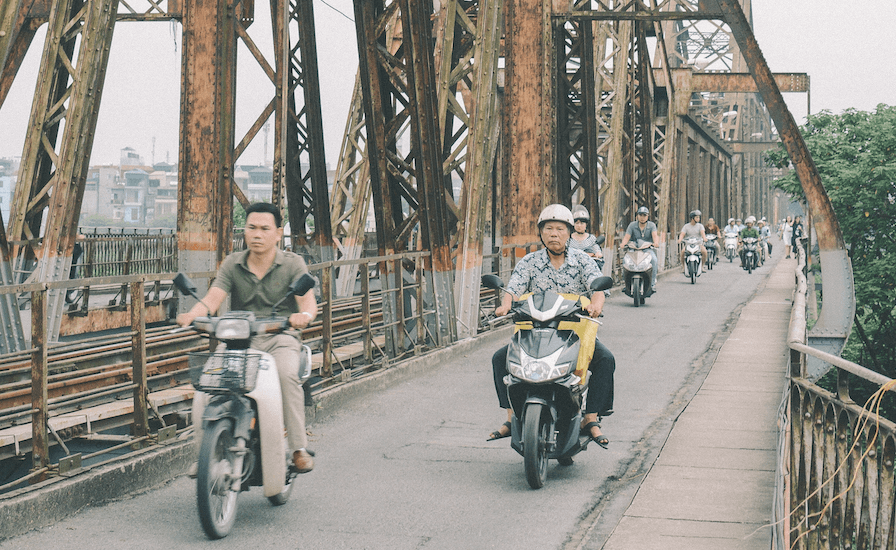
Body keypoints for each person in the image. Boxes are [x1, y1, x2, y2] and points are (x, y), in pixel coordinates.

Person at [177, 202, 318, 473]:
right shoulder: (233, 263)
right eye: (252, 227)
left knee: (288, 375)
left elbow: (308, 303)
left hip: (280, 336)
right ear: (244, 231)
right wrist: (192, 315)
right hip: (240, 339)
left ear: (278, 233)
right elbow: (212, 298)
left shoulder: (292, 264)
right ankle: (204, 455)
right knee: (207, 384)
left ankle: (298, 448)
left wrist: (305, 316)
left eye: (265, 229)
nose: (257, 234)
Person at [488, 204, 615, 449]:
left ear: (569, 233)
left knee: (605, 360)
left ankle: (590, 418)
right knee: (499, 359)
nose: (554, 234)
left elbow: (597, 288)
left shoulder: (582, 260)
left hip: (573, 331)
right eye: (548, 229)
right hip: (534, 331)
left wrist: (596, 305)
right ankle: (511, 416)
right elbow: (513, 289)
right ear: (541, 233)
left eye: (559, 229)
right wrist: (505, 306)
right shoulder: (529, 261)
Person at [619, 205, 659, 292]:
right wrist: (623, 244)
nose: (642, 217)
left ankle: (652, 284)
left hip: (647, 249)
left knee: (654, 260)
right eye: (640, 215)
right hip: (634, 249)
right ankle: (625, 283)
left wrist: (655, 243)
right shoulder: (632, 225)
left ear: (648, 216)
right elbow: (627, 237)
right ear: (637, 216)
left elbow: (655, 236)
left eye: (644, 215)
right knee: (625, 260)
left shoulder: (651, 225)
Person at [569, 204, 605, 271]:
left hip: (588, 268)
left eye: (582, 223)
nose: (579, 226)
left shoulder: (591, 238)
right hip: (572, 268)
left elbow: (596, 248)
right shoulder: (569, 239)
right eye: (577, 223)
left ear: (586, 225)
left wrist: (598, 253)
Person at [678, 210, 707, 275]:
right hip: (688, 244)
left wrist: (704, 238)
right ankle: (683, 267)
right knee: (683, 252)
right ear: (692, 218)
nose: (698, 219)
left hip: (698, 244)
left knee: (704, 251)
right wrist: (680, 239)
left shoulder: (700, 226)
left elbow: (702, 232)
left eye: (699, 217)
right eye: (697, 217)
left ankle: (702, 266)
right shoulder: (686, 226)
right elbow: (682, 234)